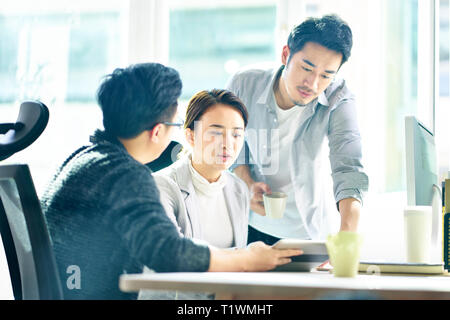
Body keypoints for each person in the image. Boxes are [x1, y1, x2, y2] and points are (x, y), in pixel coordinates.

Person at [41, 63, 302, 300]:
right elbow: (168, 252)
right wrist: (246, 259)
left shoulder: (84, 159)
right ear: (157, 131)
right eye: (174, 124)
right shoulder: (127, 175)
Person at [226, 14, 369, 245]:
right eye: (306, 68)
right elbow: (232, 145)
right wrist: (247, 183)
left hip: (307, 232)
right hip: (248, 225)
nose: (312, 84)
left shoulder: (339, 99)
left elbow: (349, 169)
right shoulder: (244, 84)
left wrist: (346, 239)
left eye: (325, 76)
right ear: (286, 55)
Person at [139, 89, 250, 300]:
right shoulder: (160, 186)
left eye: (237, 134)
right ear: (190, 135)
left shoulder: (238, 189)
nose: (228, 143)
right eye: (216, 132)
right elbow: (172, 259)